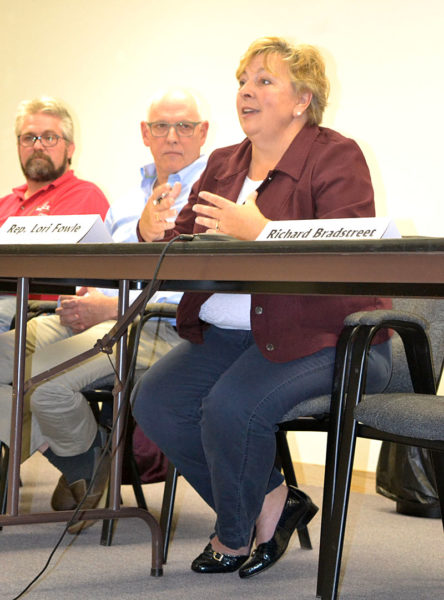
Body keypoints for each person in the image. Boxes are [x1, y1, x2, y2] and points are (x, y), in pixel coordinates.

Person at [132, 37, 393, 578]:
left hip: (328, 334)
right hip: (234, 335)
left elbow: (352, 254)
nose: (246, 91)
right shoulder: (225, 163)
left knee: (230, 407)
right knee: (157, 400)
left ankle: (233, 537)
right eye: (243, 82)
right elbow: (182, 240)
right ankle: (273, 500)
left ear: (302, 100)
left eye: (264, 81)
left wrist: (264, 234)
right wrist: (149, 229)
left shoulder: (336, 155)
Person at [0, 89, 209, 532]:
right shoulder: (133, 193)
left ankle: (84, 460)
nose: (172, 136)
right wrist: (87, 299)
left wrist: (111, 305)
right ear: (144, 133)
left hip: (158, 324)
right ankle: (76, 459)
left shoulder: (213, 191)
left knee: (43, 382)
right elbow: (104, 261)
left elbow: (198, 289)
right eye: (160, 127)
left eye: (184, 126)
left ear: (203, 133)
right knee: (4, 356)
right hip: (96, 314)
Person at [0, 96, 110, 332]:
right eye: (29, 138)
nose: (38, 146)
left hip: (38, 310)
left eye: (49, 137)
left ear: (70, 148)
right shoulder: (4, 204)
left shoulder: (84, 195)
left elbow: (46, 265)